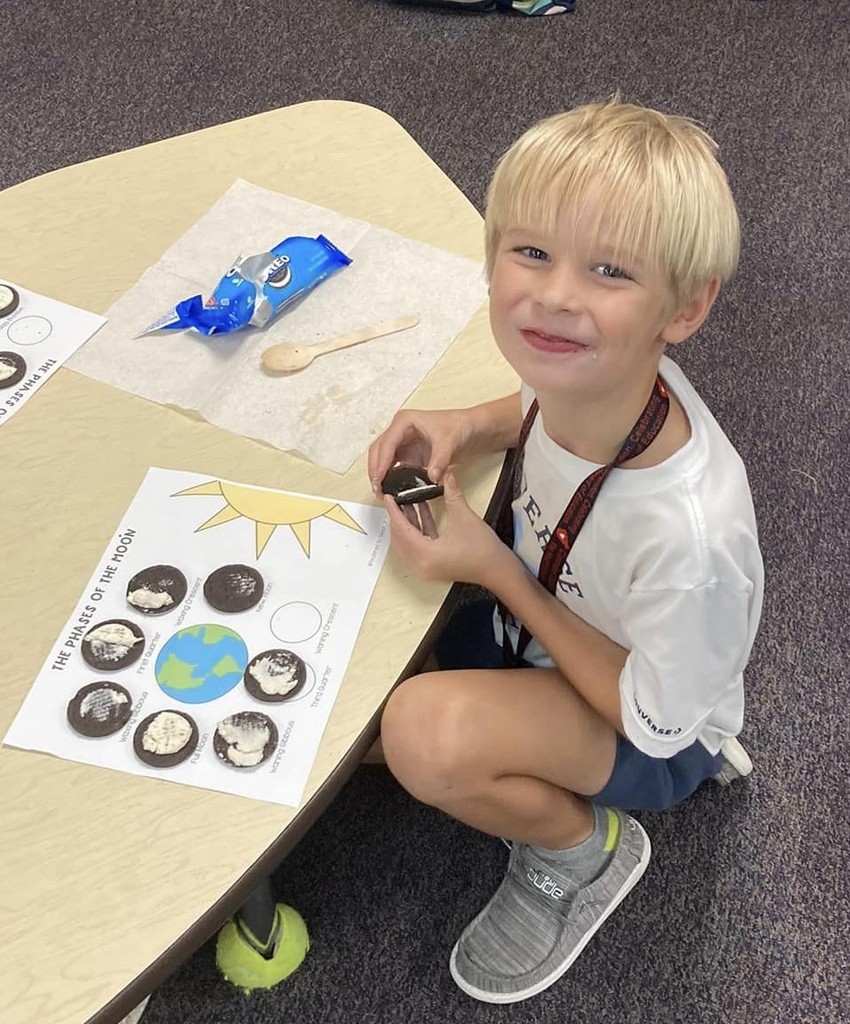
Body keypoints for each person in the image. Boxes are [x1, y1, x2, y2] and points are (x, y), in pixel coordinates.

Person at [366, 96, 764, 1004]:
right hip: (554, 634)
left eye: (609, 270)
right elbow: (534, 409)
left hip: (656, 727)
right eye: (532, 251)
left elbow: (654, 721)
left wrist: (494, 570)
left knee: (418, 734)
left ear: (686, 306)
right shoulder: (594, 376)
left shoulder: (691, 539)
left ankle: (583, 852)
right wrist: (463, 425)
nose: (553, 296)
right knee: (365, 667)